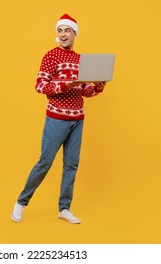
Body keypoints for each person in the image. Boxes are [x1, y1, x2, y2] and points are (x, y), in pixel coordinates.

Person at [11, 14, 107, 224]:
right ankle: (22, 201)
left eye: (67, 30)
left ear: (75, 33)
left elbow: (85, 91)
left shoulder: (81, 60)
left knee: (71, 165)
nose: (63, 34)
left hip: (77, 119)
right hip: (56, 119)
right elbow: (40, 86)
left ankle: (64, 209)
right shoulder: (51, 56)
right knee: (45, 162)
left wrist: (98, 85)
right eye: (60, 31)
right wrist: (66, 85)